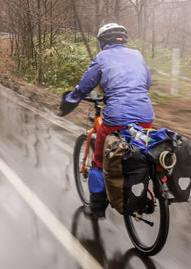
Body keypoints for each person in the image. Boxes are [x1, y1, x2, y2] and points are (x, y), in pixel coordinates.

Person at [59, 23, 155, 217]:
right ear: (124, 40)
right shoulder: (137, 55)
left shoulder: (102, 57)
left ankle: (96, 209)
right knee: (139, 153)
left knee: (99, 161)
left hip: (117, 118)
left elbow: (86, 84)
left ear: (102, 42)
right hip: (146, 115)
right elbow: (147, 82)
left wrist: (71, 99)